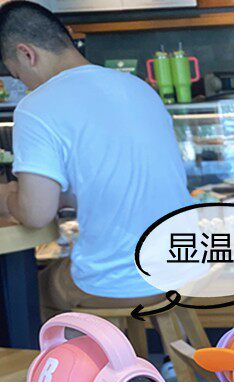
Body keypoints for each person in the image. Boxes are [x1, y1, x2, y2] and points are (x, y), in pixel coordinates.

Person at [0, 1, 191, 310]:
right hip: (185, 266)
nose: (24, 84)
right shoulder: (138, 87)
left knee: (25, 298)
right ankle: (125, 343)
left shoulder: (37, 107)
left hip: (124, 280)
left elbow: (36, 215)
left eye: (17, 74)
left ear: (26, 54)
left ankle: (88, 342)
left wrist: (8, 198)